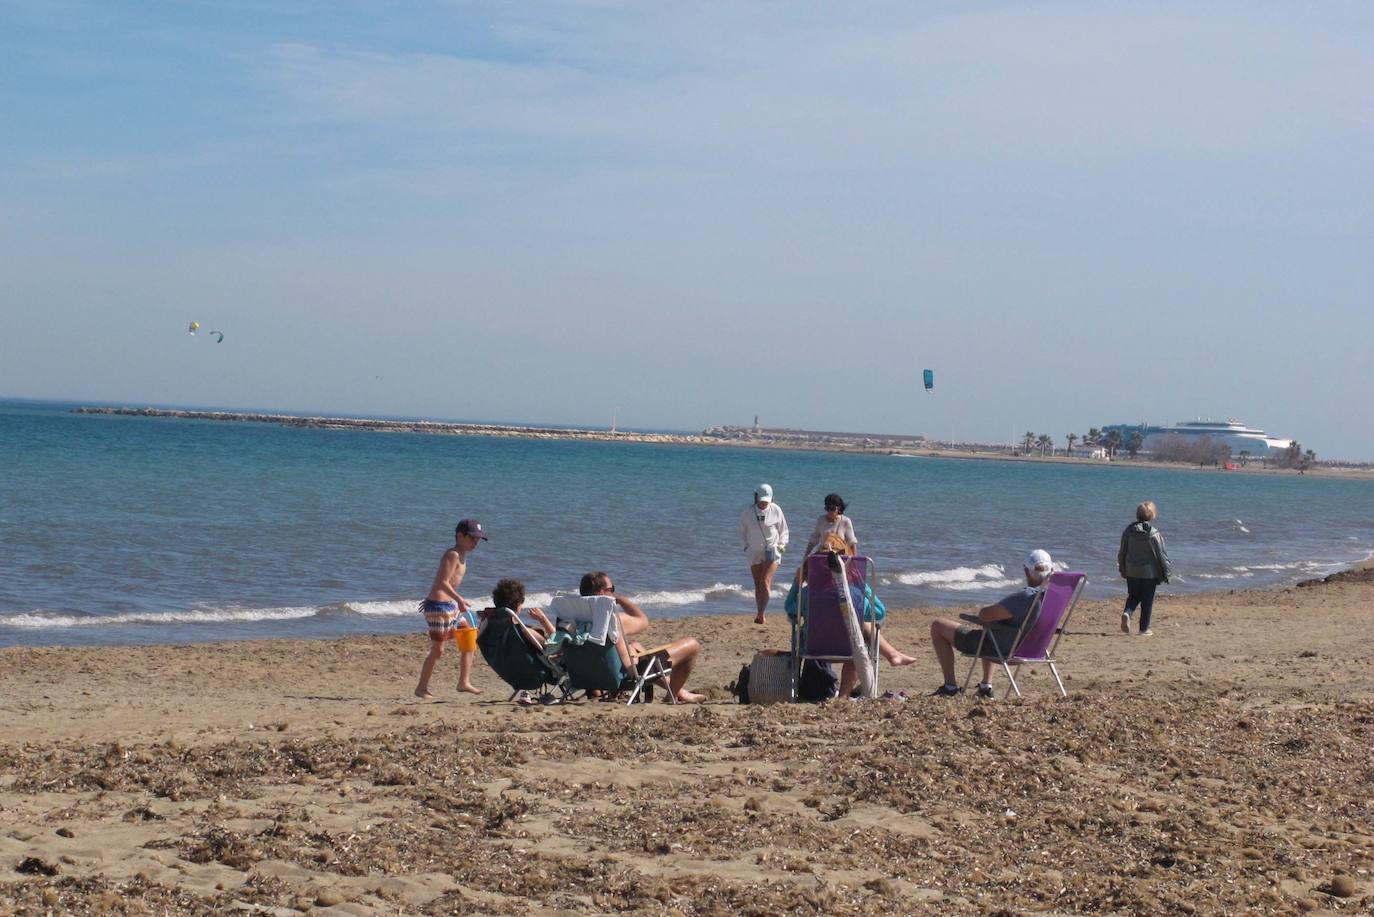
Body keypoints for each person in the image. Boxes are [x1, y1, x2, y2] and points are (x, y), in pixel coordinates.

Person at [928, 549, 1054, 698]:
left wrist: (990, 612)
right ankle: (985, 687)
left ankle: (950, 687)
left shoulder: (1026, 597)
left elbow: (985, 615)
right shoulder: (1053, 599)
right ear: (1052, 571)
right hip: (1034, 649)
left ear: (1026, 572)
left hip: (1006, 649)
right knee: (995, 627)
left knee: (938, 625)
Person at [579, 571, 705, 703]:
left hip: (592, 674)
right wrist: (620, 599)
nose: (613, 593)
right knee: (692, 645)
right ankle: (672, 696)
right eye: (612, 590)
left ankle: (682, 693)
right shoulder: (613, 619)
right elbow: (643, 621)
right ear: (602, 593)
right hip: (626, 674)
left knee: (635, 645)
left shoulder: (574, 619)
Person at [414, 519, 488, 699]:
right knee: (438, 650)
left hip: (450, 606)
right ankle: (421, 688)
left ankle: (464, 682)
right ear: (459, 536)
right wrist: (460, 600)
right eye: (472, 539)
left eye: (477, 540)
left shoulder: (462, 557)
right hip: (439, 607)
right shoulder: (452, 555)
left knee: (469, 635)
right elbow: (443, 582)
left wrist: (456, 601)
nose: (475, 543)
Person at [1118, 501, 1173, 636]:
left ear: (1137, 515)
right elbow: (1161, 554)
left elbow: (1122, 552)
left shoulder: (1128, 531)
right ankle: (1144, 629)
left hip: (1132, 571)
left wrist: (1122, 568)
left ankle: (1127, 613)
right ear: (1153, 516)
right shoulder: (1154, 533)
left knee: (1133, 596)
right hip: (1149, 573)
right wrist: (1167, 572)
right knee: (1147, 600)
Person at [739, 484, 789, 624]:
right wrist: (745, 547)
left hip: (772, 550)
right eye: (761, 500)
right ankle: (759, 612)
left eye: (766, 501)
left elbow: (784, 530)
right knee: (757, 583)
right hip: (753, 551)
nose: (763, 503)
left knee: (765, 581)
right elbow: (742, 531)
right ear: (756, 497)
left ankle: (762, 614)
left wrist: (781, 546)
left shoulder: (776, 510)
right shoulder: (748, 512)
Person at [802, 493, 858, 558]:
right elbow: (813, 540)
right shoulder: (821, 520)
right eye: (827, 508)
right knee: (803, 567)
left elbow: (852, 542)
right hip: (823, 555)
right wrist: (805, 556)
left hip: (841, 556)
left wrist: (854, 559)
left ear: (839, 508)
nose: (830, 511)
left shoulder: (845, 521)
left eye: (833, 508)